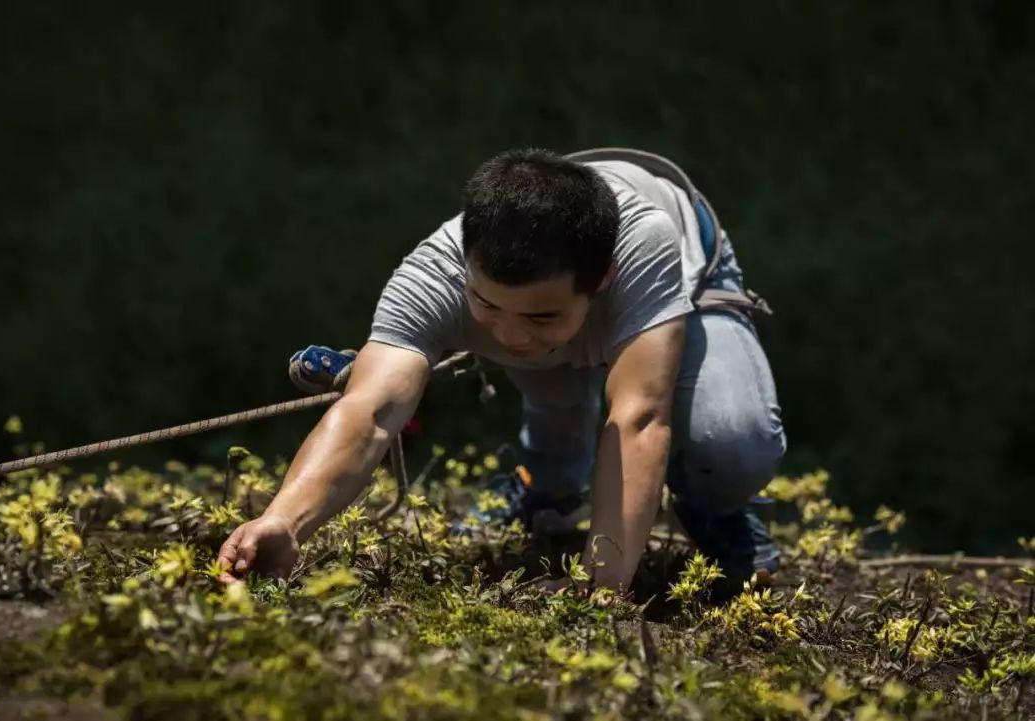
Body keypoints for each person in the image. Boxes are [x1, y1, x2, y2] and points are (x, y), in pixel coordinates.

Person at [217, 147, 787, 594]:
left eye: (539, 313)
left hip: (693, 263)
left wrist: (602, 585)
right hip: (569, 280)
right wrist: (285, 522)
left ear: (604, 280)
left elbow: (639, 417)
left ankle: (714, 508)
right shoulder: (433, 275)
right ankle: (550, 483)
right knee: (551, 359)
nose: (510, 337)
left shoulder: (643, 250)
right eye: (486, 305)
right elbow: (369, 410)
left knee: (733, 440)